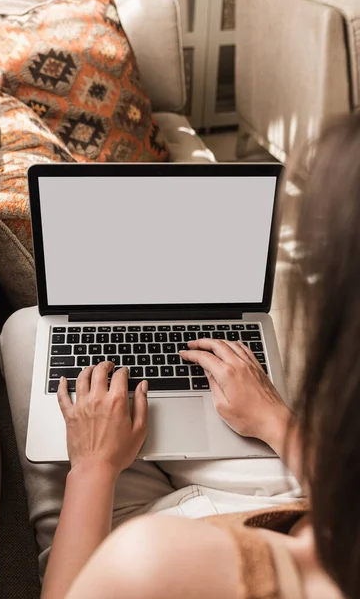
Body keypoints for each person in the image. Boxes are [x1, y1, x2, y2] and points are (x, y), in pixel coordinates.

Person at [40, 115, 360, 599]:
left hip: (175, 542)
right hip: (293, 499)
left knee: (25, 328)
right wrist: (275, 419)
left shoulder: (150, 561)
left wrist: (92, 467)